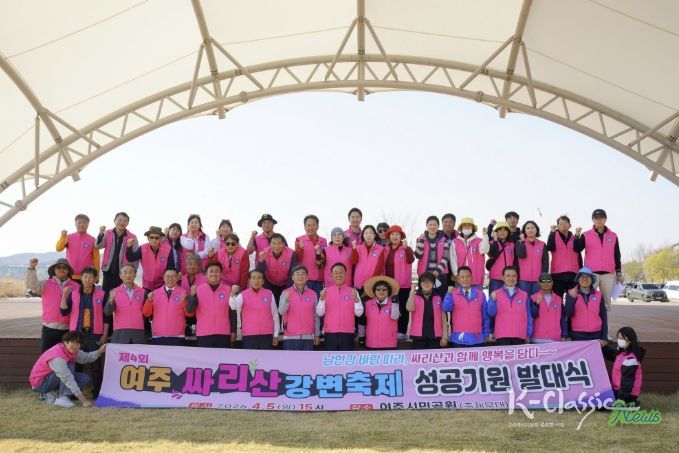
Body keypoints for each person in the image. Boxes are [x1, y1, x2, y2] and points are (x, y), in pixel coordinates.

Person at [59, 267, 108, 397]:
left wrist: (105, 334)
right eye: (85, 276)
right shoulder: (73, 293)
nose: (87, 279)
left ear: (95, 279)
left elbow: (107, 316)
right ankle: (74, 393)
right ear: (81, 278)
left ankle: (97, 393)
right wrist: (64, 296)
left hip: (95, 334)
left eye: (90, 277)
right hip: (77, 335)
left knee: (96, 366)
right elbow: (64, 311)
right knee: (76, 364)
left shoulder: (102, 294)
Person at [29, 331, 107, 408]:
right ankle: (63, 398)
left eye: (78, 343)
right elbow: (67, 379)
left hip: (52, 379)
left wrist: (100, 351)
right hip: (40, 384)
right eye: (73, 342)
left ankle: (51, 393)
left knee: (84, 379)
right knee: (69, 366)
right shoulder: (57, 356)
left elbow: (86, 357)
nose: (75, 346)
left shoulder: (71, 350)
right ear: (65, 342)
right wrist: (84, 401)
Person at [26, 257, 81, 352]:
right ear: (54, 270)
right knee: (46, 356)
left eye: (64, 267)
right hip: (48, 328)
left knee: (66, 357)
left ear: (68, 271)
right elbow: (30, 285)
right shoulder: (45, 284)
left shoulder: (76, 287)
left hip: (68, 329)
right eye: (58, 267)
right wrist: (31, 268)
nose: (61, 269)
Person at [574, 209, 622, 311]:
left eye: (601, 218)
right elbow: (577, 249)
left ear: (605, 219)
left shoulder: (613, 235)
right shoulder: (586, 235)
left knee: (606, 303)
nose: (599, 220)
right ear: (592, 220)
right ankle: (589, 320)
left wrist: (619, 273)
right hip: (591, 273)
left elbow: (617, 255)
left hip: (608, 274)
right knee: (588, 299)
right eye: (596, 218)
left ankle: (604, 322)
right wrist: (577, 236)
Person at [316, 263, 363, 351]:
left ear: (345, 274)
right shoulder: (325, 291)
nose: (338, 275)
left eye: (341, 272)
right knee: (331, 359)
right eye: (336, 273)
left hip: (347, 332)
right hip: (330, 332)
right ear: (332, 275)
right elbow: (319, 313)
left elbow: (359, 313)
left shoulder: (353, 291)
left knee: (346, 359)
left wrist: (356, 300)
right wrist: (321, 299)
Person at [95, 211, 138, 307]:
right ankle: (106, 317)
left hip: (123, 274)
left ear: (127, 223)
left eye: (125, 221)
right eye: (119, 220)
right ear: (114, 221)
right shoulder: (107, 233)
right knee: (106, 296)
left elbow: (136, 257)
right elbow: (98, 246)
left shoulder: (132, 237)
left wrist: (133, 271)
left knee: (121, 298)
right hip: (108, 271)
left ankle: (120, 316)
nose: (122, 222)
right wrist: (101, 234)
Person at [185, 262, 232, 348]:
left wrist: (233, 331)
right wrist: (192, 296)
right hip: (204, 333)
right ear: (206, 275)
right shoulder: (198, 290)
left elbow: (232, 313)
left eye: (217, 271)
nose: (214, 273)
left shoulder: (229, 290)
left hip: (223, 333)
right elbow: (189, 309)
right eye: (211, 271)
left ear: (221, 274)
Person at [230, 270, 280, 350]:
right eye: (253, 278)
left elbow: (275, 315)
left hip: (266, 335)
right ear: (249, 281)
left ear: (263, 281)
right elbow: (233, 306)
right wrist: (232, 295)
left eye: (259, 278)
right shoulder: (243, 295)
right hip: (249, 335)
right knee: (250, 358)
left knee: (266, 358)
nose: (256, 281)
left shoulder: (269, 294)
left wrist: (276, 334)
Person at [442, 266, 490, 348]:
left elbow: (485, 316)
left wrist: (486, 334)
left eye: (468, 276)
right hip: (458, 338)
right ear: (458, 279)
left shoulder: (480, 294)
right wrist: (448, 295)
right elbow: (446, 308)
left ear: (472, 278)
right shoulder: (453, 294)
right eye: (462, 277)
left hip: (477, 338)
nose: (465, 279)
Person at [143, 268, 191, 346]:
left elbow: (189, 314)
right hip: (158, 335)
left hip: (177, 336)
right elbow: (146, 313)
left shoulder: (184, 293)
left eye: (173, 276)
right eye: (168, 276)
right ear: (164, 277)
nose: (170, 279)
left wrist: (185, 301)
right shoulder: (155, 293)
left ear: (178, 278)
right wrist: (149, 301)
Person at [487, 266, 533, 346]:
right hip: (502, 335)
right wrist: (492, 301)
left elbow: (528, 315)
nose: (511, 278)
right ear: (503, 278)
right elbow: (491, 313)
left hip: (520, 335)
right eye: (508, 276)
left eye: (514, 276)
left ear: (517, 277)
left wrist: (528, 333)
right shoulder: (496, 294)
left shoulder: (524, 295)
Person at [278, 265, 321, 350]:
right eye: (297, 274)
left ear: (307, 277)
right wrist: (286, 301)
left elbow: (316, 316)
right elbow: (281, 312)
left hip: (308, 337)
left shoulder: (313, 294)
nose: (300, 276)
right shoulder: (286, 292)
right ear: (293, 277)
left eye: (303, 274)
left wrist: (317, 334)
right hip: (290, 337)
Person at [383, 225, 414, 339]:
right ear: (389, 237)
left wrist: (406, 249)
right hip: (389, 285)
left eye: (397, 234)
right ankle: (390, 329)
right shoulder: (385, 249)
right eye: (392, 234)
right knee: (390, 307)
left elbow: (411, 260)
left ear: (401, 236)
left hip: (403, 284)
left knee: (403, 309)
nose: (395, 236)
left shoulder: (406, 248)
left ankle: (402, 331)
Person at [104, 264, 146, 344]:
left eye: (131, 272)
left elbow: (146, 313)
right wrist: (111, 300)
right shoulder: (114, 291)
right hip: (120, 332)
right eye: (125, 272)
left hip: (138, 332)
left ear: (135, 274)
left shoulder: (143, 292)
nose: (128, 275)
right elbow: (107, 312)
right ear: (120, 276)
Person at [564, 267, 608, 345]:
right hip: (577, 334)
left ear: (592, 279)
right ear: (578, 279)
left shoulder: (598, 295)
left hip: (596, 334)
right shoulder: (570, 293)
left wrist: (604, 337)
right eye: (582, 276)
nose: (584, 279)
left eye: (588, 276)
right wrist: (573, 299)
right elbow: (568, 314)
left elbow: (603, 316)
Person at [603, 326, 644, 405]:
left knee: (602, 404)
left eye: (622, 338)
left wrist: (621, 398)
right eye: (618, 338)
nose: (619, 340)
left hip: (627, 393)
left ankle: (631, 402)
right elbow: (611, 354)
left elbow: (627, 381)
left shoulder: (631, 359)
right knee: (599, 402)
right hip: (617, 389)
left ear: (630, 340)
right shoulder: (621, 353)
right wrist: (604, 346)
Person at [125, 226, 174, 293]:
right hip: (147, 286)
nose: (154, 240)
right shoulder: (142, 248)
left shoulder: (168, 250)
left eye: (157, 238)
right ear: (148, 238)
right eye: (151, 237)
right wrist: (129, 247)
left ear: (160, 238)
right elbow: (131, 258)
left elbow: (171, 267)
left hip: (162, 285)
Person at [406, 272, 447, 349]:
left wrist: (445, 336)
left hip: (435, 336)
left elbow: (444, 319)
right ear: (420, 284)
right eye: (424, 282)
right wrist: (411, 292)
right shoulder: (415, 297)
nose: (426, 284)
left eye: (429, 281)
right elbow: (409, 308)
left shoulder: (438, 298)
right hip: (418, 336)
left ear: (433, 283)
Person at [56, 213, 100, 283]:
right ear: (75, 224)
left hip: (86, 277)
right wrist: (63, 237)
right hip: (69, 275)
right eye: (79, 222)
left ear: (88, 224)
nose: (81, 225)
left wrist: (96, 275)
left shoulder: (93, 240)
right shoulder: (68, 237)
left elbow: (96, 259)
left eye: (84, 223)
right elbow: (58, 248)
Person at [415, 216, 452, 298]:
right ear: (426, 226)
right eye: (430, 224)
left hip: (440, 274)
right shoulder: (420, 239)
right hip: (424, 274)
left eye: (435, 225)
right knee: (424, 298)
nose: (432, 227)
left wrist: (437, 272)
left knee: (441, 298)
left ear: (438, 226)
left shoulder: (444, 240)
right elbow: (418, 255)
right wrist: (421, 241)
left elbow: (446, 257)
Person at [546, 215, 582, 299]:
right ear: (557, 226)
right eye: (561, 224)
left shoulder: (575, 238)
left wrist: (577, 236)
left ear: (570, 225)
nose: (563, 225)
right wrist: (552, 233)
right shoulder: (553, 236)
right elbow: (550, 247)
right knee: (557, 300)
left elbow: (578, 251)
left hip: (573, 274)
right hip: (558, 274)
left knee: (573, 300)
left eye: (566, 223)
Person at [256, 233, 296, 304]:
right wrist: (261, 261)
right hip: (269, 283)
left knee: (284, 304)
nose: (276, 246)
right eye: (274, 243)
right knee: (269, 304)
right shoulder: (265, 252)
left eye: (279, 243)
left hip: (285, 283)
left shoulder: (291, 254)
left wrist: (288, 290)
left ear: (283, 244)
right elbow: (259, 272)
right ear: (270, 244)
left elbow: (292, 274)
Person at [452, 218, 489, 291]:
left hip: (476, 278)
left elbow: (485, 250)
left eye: (469, 225)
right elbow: (453, 259)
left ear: (473, 228)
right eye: (464, 225)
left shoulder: (480, 241)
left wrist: (485, 236)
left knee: (477, 298)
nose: (467, 227)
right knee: (460, 298)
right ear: (461, 228)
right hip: (461, 279)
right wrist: (456, 274)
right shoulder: (455, 242)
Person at [363, 276, 400, 350]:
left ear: (389, 291)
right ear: (374, 291)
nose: (381, 291)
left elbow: (395, 317)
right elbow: (362, 322)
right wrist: (361, 337)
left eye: (384, 289)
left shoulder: (394, 303)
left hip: (389, 344)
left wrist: (395, 304)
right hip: (371, 343)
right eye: (378, 289)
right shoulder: (367, 304)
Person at [529, 273, 568, 343]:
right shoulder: (533, 297)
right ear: (539, 283)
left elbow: (563, 318)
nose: (546, 283)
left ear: (552, 283)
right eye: (543, 281)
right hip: (537, 339)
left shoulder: (558, 299)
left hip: (555, 339)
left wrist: (564, 335)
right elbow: (531, 315)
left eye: (548, 281)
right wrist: (536, 304)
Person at [295, 215, 327, 297]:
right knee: (304, 302)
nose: (310, 228)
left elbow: (324, 259)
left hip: (319, 279)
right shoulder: (299, 240)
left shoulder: (323, 241)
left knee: (318, 303)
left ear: (317, 226)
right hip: (304, 279)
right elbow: (297, 258)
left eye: (313, 225)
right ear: (304, 227)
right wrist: (300, 249)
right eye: (308, 225)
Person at [515, 220, 548, 297]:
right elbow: (521, 255)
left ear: (536, 229)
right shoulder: (519, 242)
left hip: (538, 280)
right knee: (524, 301)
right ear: (524, 231)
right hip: (523, 279)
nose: (530, 230)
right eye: (528, 228)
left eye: (533, 228)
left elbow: (545, 263)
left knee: (536, 302)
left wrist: (543, 278)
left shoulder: (542, 244)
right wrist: (523, 241)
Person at [352, 225, 386, 291]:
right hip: (359, 281)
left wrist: (372, 281)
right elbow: (354, 261)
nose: (368, 235)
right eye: (366, 233)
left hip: (374, 283)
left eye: (370, 233)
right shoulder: (358, 248)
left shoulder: (380, 249)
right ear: (363, 235)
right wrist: (354, 249)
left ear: (374, 235)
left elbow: (380, 266)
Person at [486, 220, 516, 294]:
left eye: (505, 230)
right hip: (495, 278)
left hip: (509, 278)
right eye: (500, 230)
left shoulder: (512, 245)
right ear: (496, 232)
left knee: (508, 299)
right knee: (494, 299)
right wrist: (491, 226)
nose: (502, 232)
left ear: (508, 232)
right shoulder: (491, 243)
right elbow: (492, 254)